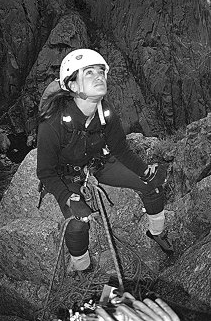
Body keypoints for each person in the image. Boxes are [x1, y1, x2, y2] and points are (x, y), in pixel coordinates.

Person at [37, 48, 173, 273]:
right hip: (66, 174)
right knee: (78, 227)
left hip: (98, 163)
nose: (99, 76)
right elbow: (45, 172)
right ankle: (83, 270)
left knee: (152, 186)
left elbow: (121, 149)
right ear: (73, 86)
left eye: (101, 71)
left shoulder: (105, 113)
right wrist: (69, 198)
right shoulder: (53, 122)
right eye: (89, 73)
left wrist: (145, 172)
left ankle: (156, 232)